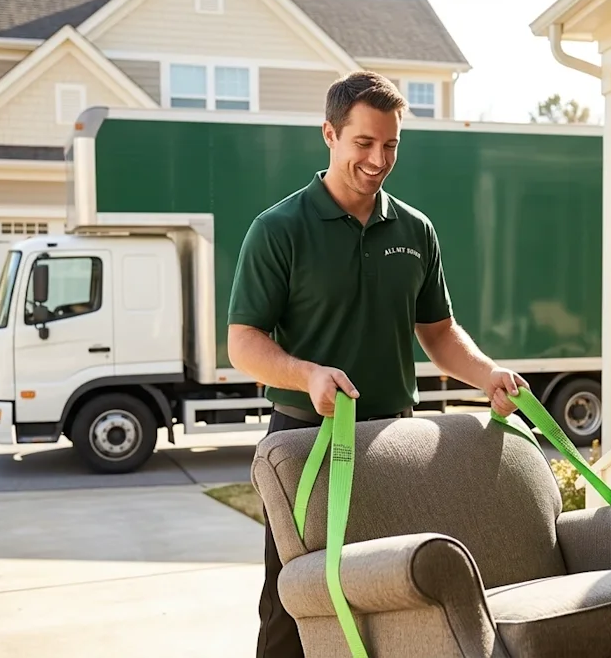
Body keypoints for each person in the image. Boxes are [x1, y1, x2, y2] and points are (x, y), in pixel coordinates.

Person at [226, 70, 530, 658]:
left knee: (394, 596)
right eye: (363, 143)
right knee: (295, 605)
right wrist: (307, 374)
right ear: (330, 135)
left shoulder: (416, 231)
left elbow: (439, 333)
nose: (378, 158)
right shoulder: (278, 230)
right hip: (303, 446)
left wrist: (487, 373)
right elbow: (244, 342)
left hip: (393, 441)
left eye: (390, 144)